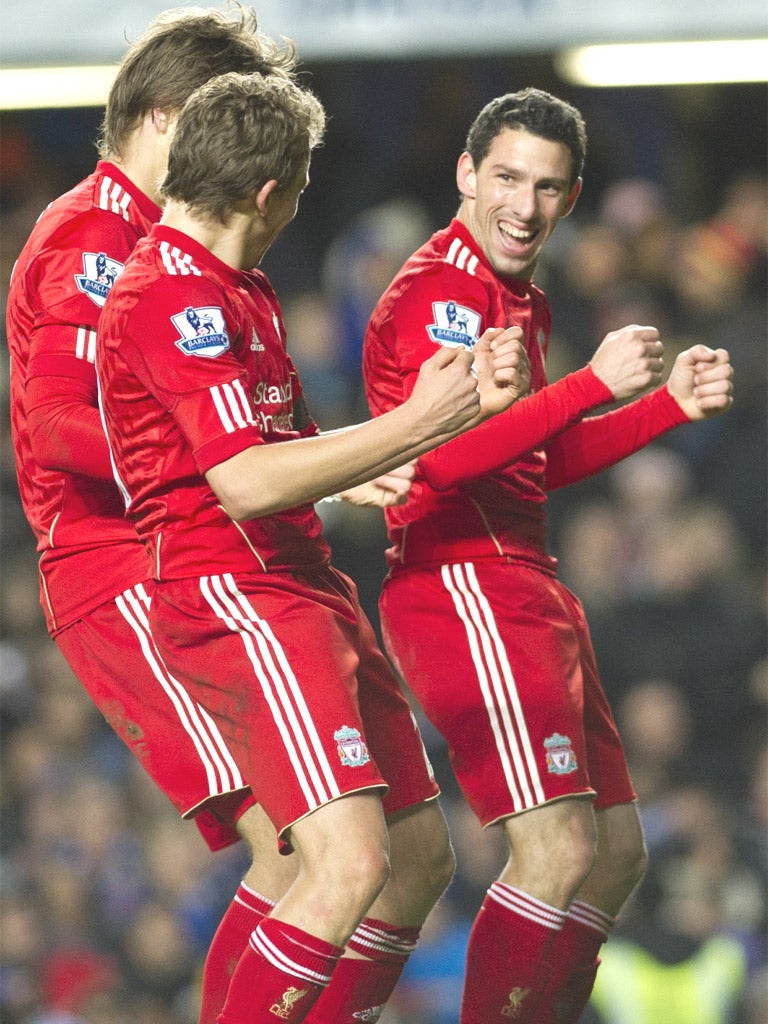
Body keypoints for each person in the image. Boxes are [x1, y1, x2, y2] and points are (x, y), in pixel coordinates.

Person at [3, 7, 417, 1019]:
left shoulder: (195, 254)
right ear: (162, 118)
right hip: (126, 566)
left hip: (210, 554)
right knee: (304, 845)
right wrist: (222, 462)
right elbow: (61, 428)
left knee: (369, 853)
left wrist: (296, 459)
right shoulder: (95, 242)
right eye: (220, 113)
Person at [95, 70, 528, 1023]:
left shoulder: (239, 288)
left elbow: (264, 448)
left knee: (417, 858)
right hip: (238, 597)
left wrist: (353, 465)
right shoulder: (168, 296)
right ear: (271, 193)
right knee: (348, 862)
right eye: (299, 187)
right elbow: (241, 481)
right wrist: (415, 424)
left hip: (300, 582)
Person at [362, 87, 734, 1024]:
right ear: (466, 174)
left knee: (616, 855)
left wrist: (659, 408)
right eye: (507, 178)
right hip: (461, 585)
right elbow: (434, 461)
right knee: (560, 850)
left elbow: (525, 461)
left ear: (572, 199)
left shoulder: (514, 298)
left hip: (526, 583)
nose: (525, 206)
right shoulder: (442, 292)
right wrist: (589, 384)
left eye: (549, 188)